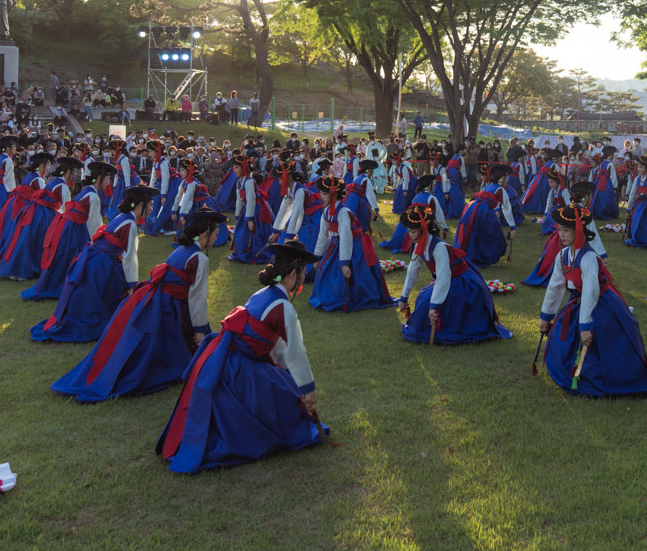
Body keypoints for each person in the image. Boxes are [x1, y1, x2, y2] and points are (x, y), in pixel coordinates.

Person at [155, 240, 330, 474]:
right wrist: (308, 390)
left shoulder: (263, 294)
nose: (303, 278)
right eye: (302, 273)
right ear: (291, 275)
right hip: (238, 368)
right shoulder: (283, 307)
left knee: (284, 386)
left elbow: (275, 345)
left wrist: (287, 376)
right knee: (282, 400)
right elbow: (296, 352)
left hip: (225, 360)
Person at [51, 202, 216, 402]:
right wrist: (199, 330)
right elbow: (197, 297)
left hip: (155, 298)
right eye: (216, 233)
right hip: (167, 305)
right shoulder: (200, 259)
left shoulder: (182, 250)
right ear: (205, 234)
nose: (217, 238)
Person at [537, 204, 647, 398]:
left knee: (605, 344)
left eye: (566, 230)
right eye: (559, 230)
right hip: (578, 302)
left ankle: (603, 376)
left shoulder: (588, 258)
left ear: (578, 231)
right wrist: (546, 315)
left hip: (601, 304)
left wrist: (585, 326)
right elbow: (555, 286)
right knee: (562, 340)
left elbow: (591, 292)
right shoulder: (562, 256)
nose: (561, 235)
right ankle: (567, 370)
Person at [32, 185, 157, 342]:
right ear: (140, 205)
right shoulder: (129, 223)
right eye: (151, 205)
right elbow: (130, 256)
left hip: (95, 260)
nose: (152, 208)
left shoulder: (123, 217)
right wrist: (132, 283)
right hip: (100, 265)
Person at [397, 204, 511, 345]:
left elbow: (444, 277)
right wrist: (404, 297)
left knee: (429, 303)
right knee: (422, 297)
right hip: (445, 280)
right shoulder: (419, 247)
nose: (410, 236)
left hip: (461, 281)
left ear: (423, 229)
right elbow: (412, 271)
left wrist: (434, 306)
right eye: (409, 232)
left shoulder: (439, 248)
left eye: (413, 232)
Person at [22, 161, 114, 302]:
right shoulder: (93, 196)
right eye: (108, 179)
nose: (109, 183)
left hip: (68, 226)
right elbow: (93, 225)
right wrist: (96, 244)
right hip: (75, 230)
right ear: (100, 178)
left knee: (62, 259)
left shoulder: (87, 190)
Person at [308, 176, 393, 312]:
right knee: (327, 270)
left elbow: (347, 238)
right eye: (321, 193)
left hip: (355, 246)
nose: (321, 197)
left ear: (333, 195)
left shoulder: (343, 212)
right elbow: (323, 236)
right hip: (337, 244)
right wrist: (317, 257)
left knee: (354, 275)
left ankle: (352, 297)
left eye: (325, 194)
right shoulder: (326, 212)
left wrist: (344, 263)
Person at [455, 165, 513, 269]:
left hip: (471, 207)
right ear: (503, 178)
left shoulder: (489, 186)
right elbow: (507, 208)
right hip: (483, 211)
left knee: (473, 232)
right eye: (507, 177)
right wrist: (513, 227)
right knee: (493, 234)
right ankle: (487, 257)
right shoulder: (501, 189)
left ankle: (470, 255)